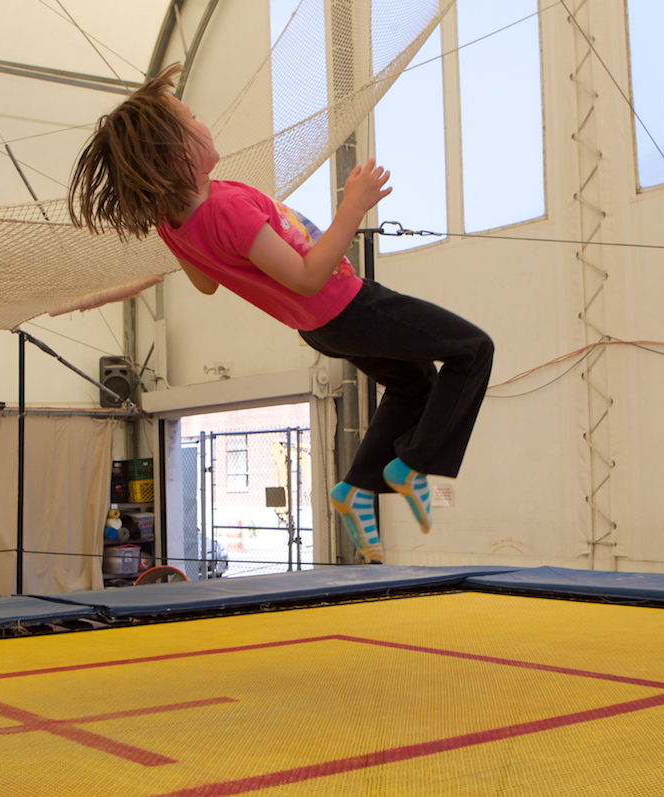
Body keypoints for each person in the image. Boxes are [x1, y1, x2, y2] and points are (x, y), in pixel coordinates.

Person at [68, 64, 493, 563]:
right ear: (179, 153)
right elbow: (309, 277)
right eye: (193, 119)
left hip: (320, 327)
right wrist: (353, 207)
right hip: (343, 304)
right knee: (472, 350)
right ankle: (413, 464)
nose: (204, 123)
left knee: (413, 381)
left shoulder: (174, 221)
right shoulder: (225, 210)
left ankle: (359, 487)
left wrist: (214, 252)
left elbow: (206, 282)